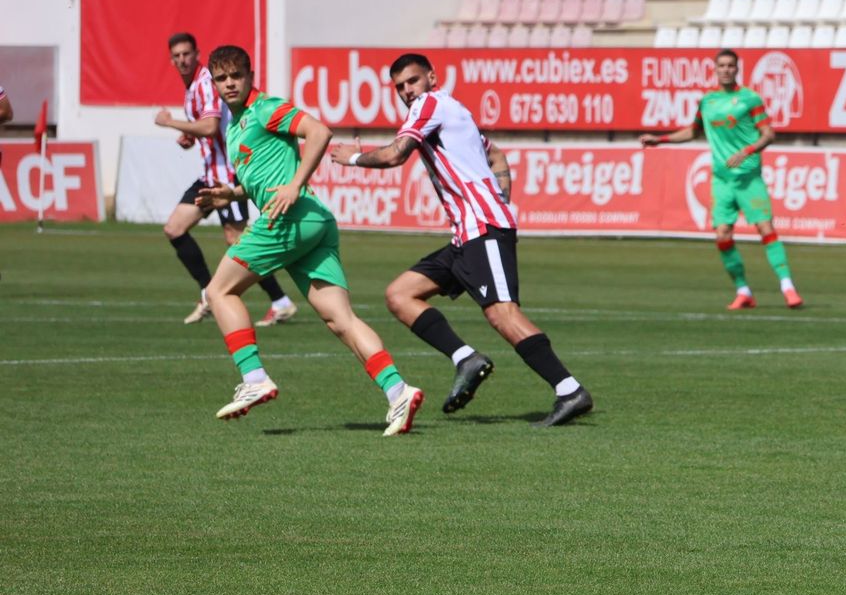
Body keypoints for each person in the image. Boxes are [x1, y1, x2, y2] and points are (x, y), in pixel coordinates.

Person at [328, 53, 593, 427]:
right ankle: (466, 358)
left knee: (502, 314)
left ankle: (569, 389)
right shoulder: (454, 110)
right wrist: (501, 198)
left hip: (482, 228)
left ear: (431, 78)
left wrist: (352, 158)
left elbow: (395, 155)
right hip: (466, 233)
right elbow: (495, 153)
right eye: (400, 86)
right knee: (400, 295)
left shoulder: (429, 104)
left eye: (413, 81)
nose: (407, 92)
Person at [196, 45, 425, 436]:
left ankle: (254, 378)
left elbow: (319, 132)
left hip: (289, 218)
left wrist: (294, 185)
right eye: (222, 78)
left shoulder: (266, 108)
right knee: (341, 320)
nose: (230, 83)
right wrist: (231, 194)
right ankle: (399, 392)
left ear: (250, 76)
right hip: (312, 222)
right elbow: (264, 176)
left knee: (218, 292)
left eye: (236, 75)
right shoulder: (233, 128)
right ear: (214, 84)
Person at [638, 48, 803, 310]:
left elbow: (768, 134)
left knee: (765, 229)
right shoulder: (708, 101)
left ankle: (788, 288)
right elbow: (693, 132)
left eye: (730, 66)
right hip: (722, 180)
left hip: (749, 178)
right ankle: (743, 290)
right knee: (722, 234)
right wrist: (660, 139)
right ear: (715, 70)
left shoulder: (750, 99)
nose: (726, 69)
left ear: (737, 69)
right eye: (721, 66)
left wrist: (747, 151)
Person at [155, 33, 296, 326]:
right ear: (171, 60)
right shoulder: (193, 87)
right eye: (176, 56)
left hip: (225, 175)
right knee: (175, 228)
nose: (182, 60)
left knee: (238, 240)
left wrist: (171, 123)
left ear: (197, 54)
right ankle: (209, 292)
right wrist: (188, 135)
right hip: (209, 172)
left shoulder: (207, 82)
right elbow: (208, 129)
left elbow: (209, 126)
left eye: (186, 54)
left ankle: (279, 300)